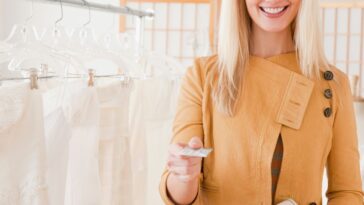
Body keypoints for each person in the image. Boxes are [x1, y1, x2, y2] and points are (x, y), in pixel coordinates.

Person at [160, 0, 364, 204]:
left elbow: (347, 192)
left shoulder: (332, 85)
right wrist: (184, 175)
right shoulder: (203, 77)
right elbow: (178, 195)